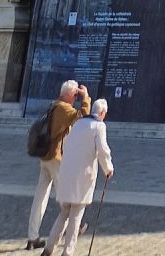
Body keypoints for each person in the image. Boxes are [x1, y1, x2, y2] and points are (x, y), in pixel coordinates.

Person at [43, 99, 113, 256]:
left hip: (68, 172)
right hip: (83, 177)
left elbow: (66, 144)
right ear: (102, 113)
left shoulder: (78, 123)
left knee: (64, 213)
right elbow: (103, 149)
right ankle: (67, 252)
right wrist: (108, 169)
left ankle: (49, 248)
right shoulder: (99, 127)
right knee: (76, 215)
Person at [27, 81, 90, 251]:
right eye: (75, 95)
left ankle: (32, 236)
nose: (76, 98)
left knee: (40, 196)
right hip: (55, 157)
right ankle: (75, 227)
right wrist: (86, 97)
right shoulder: (64, 108)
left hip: (45, 156)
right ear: (69, 95)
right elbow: (84, 115)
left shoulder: (54, 104)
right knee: (66, 197)